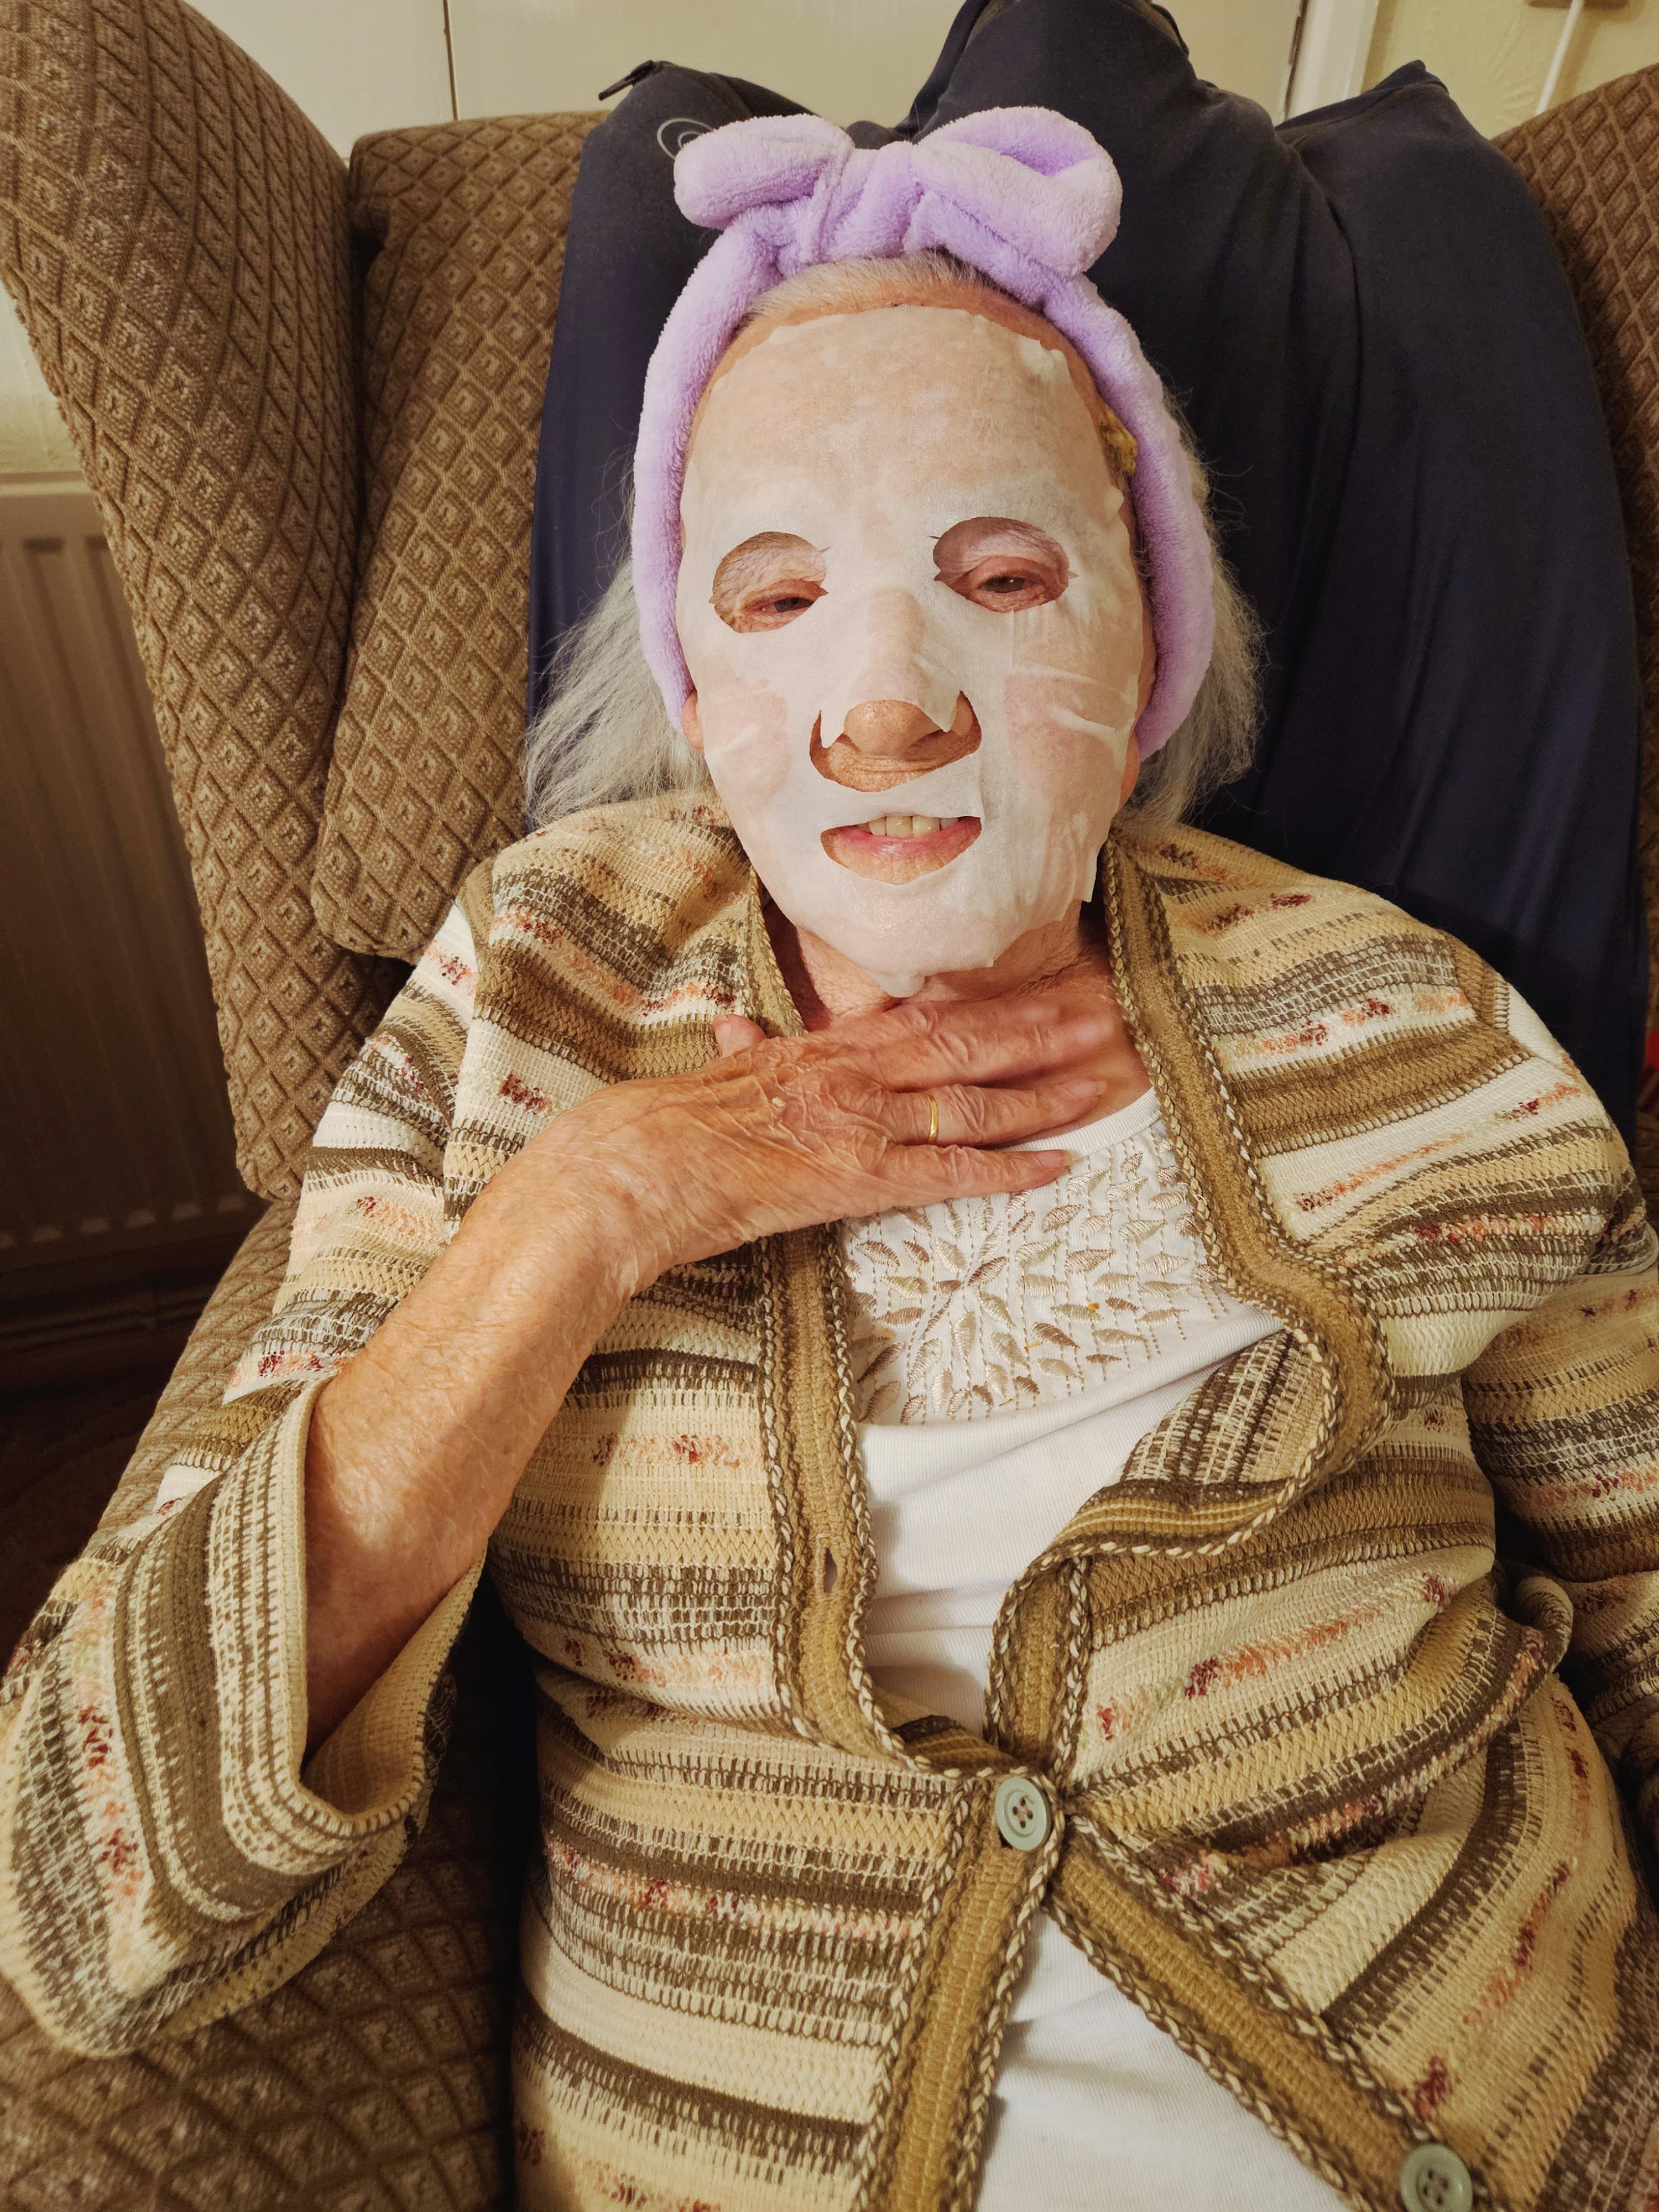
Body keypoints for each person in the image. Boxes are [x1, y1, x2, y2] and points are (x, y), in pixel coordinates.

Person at [4, 109, 1658, 2212]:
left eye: (997, 576)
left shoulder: (1403, 1014)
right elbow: (90, 1886)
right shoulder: (537, 989)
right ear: (693, 683)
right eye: (779, 596)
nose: (884, 707)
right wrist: (593, 1209)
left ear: (1144, 641)